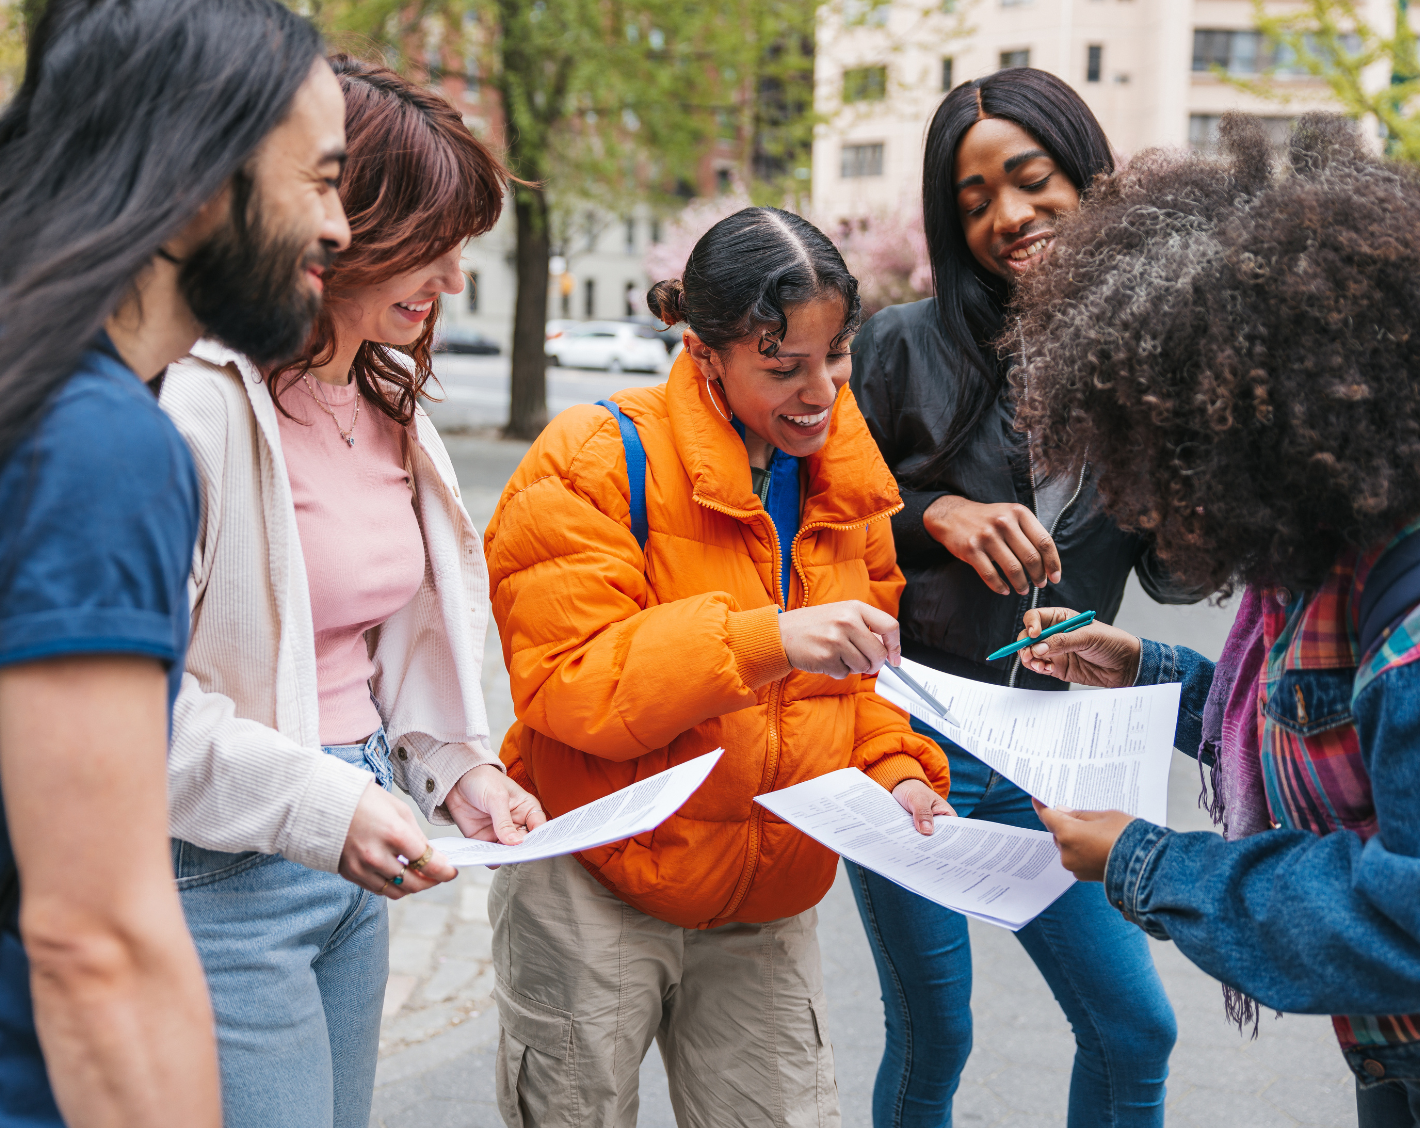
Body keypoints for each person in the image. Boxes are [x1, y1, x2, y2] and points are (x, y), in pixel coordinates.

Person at [483, 207, 953, 1127]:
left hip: (767, 898)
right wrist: (767, 639)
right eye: (784, 368)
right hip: (596, 879)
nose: (820, 392)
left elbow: (865, 680)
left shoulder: (848, 479)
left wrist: (895, 771)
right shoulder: (592, 458)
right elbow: (569, 683)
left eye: (836, 356)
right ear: (704, 354)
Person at [1006, 114, 1420, 1128]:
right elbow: (1318, 729)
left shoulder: (1409, 627)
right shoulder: (1333, 541)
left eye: (1160, 456)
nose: (1144, 500)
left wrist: (1146, 862)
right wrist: (1147, 669)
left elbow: (1403, 916)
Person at [155, 56, 542, 1128]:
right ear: (341, 219)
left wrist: (458, 770)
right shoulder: (196, 406)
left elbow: (387, 648)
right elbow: (135, 708)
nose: (454, 278)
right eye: (433, 243)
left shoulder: (387, 400)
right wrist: (327, 805)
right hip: (222, 870)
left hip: (355, 845)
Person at [0, 2, 347, 1125]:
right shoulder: (97, 443)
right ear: (201, 176)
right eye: (322, 181)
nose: (339, 229)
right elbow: (92, 937)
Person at [846, 67, 1192, 1128]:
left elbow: (1175, 575)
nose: (1007, 215)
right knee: (935, 1035)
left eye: (1030, 179)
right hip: (914, 740)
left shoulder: (1151, 356)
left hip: (1060, 748)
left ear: (1087, 176)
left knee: (1135, 1031)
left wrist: (1186, 456)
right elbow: (820, 532)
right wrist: (935, 515)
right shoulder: (899, 345)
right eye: (974, 200)